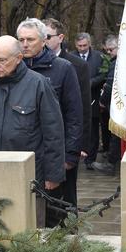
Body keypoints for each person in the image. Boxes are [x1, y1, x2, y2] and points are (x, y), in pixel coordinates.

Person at [0, 35, 65, 191]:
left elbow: (53, 133)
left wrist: (53, 175)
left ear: (19, 58)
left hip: (29, 177)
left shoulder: (38, 85)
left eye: (2, 60)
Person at [17, 18, 82, 227]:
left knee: (57, 214)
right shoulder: (13, 69)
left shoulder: (63, 69)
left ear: (44, 40)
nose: (25, 44)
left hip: (54, 153)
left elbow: (74, 115)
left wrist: (70, 155)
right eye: (21, 39)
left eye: (30, 39)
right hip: (22, 152)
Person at [41, 18, 91, 206]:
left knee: (67, 195)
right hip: (43, 141)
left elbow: (83, 108)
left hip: (67, 140)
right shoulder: (28, 63)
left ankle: (70, 232)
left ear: (60, 37)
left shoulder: (77, 65)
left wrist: (82, 145)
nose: (43, 40)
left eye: (47, 36)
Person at [74, 32, 106, 170]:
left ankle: (90, 159)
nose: (82, 48)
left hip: (93, 97)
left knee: (93, 129)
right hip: (76, 98)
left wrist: (91, 82)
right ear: (76, 45)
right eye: (80, 46)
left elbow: (104, 73)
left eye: (85, 45)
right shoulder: (70, 57)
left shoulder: (99, 57)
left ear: (89, 44)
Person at [93, 35, 120, 175]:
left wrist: (102, 101)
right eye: (107, 50)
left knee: (117, 132)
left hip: (119, 104)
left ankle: (110, 164)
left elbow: (110, 85)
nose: (109, 53)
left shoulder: (117, 63)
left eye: (111, 50)